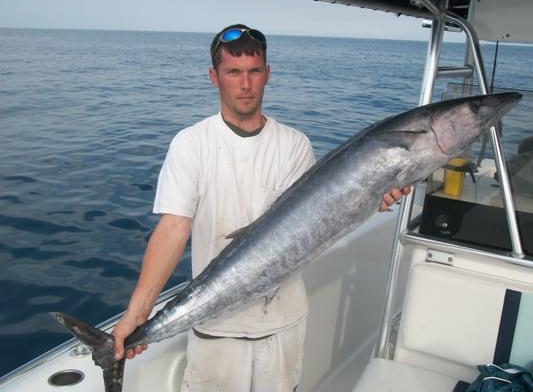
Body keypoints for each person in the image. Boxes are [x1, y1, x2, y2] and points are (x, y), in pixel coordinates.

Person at [112, 24, 410, 391]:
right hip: (214, 331)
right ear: (214, 77)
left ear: (268, 75)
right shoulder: (190, 144)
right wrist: (138, 312)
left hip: (282, 328)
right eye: (233, 73)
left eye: (254, 72)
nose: (245, 84)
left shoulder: (294, 145)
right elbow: (174, 227)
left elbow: (317, 223)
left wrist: (373, 198)